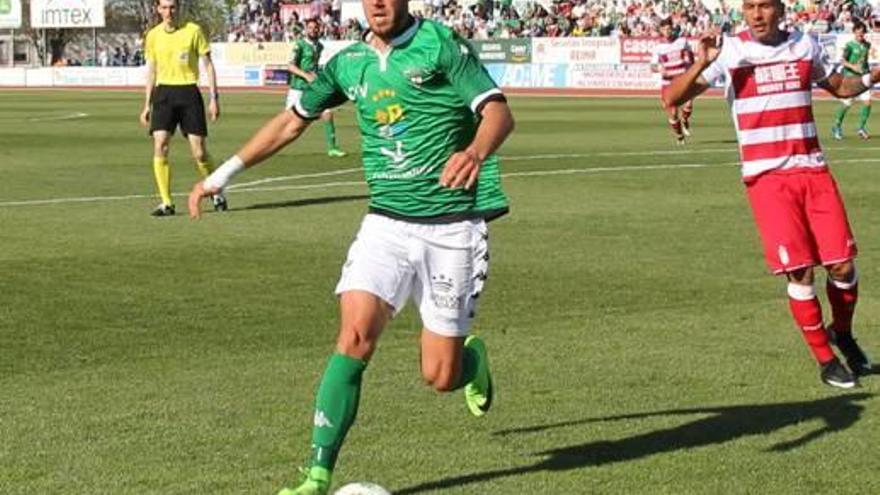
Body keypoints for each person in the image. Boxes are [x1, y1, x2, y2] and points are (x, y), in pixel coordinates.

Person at [188, 0, 514, 491]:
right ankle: (316, 474)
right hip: (385, 224)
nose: (379, 3)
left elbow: (497, 113)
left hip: (451, 228)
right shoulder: (346, 63)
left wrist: (474, 151)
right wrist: (223, 175)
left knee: (440, 376)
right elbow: (292, 121)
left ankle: (471, 362)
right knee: (354, 337)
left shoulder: (440, 45)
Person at [664, 0, 875, 388]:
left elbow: (840, 86)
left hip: (813, 170)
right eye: (749, 7)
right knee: (800, 270)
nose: (757, 15)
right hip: (767, 178)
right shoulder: (730, 52)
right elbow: (672, 99)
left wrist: (874, 75)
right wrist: (701, 61)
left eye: (764, 6)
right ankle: (825, 359)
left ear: (781, 9)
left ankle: (842, 334)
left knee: (843, 265)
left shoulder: (805, 46)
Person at [140, 0, 226, 217]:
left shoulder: (193, 31)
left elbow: (208, 65)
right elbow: (151, 71)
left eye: (172, 7)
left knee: (199, 151)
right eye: (164, 7)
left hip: (189, 93)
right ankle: (166, 202)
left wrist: (214, 98)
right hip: (164, 94)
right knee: (160, 145)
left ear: (178, 9)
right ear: (158, 9)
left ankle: (216, 191)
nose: (169, 12)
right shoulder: (153, 36)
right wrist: (146, 104)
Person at [287, 18, 347, 158]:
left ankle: (332, 148)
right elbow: (290, 66)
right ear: (306, 29)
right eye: (310, 27)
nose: (313, 30)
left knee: (327, 113)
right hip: (298, 88)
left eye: (316, 28)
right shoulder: (300, 45)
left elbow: (314, 67)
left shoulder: (319, 46)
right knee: (289, 123)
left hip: (312, 89)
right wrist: (306, 75)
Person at [651, 18, 695, 145]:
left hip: (682, 79)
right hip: (668, 83)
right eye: (664, 29)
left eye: (669, 28)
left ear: (672, 28)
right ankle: (680, 136)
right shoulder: (658, 48)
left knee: (688, 105)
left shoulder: (682, 42)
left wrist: (691, 67)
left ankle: (685, 120)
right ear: (660, 30)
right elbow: (652, 66)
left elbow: (690, 54)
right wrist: (659, 68)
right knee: (673, 113)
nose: (667, 31)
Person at [832, 20, 872, 140]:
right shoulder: (849, 46)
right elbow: (842, 60)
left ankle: (861, 128)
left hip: (864, 78)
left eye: (862, 33)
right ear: (854, 32)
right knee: (847, 103)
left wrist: (867, 71)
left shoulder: (867, 45)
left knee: (868, 102)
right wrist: (853, 66)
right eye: (858, 33)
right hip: (851, 78)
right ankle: (837, 126)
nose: (861, 35)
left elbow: (864, 60)